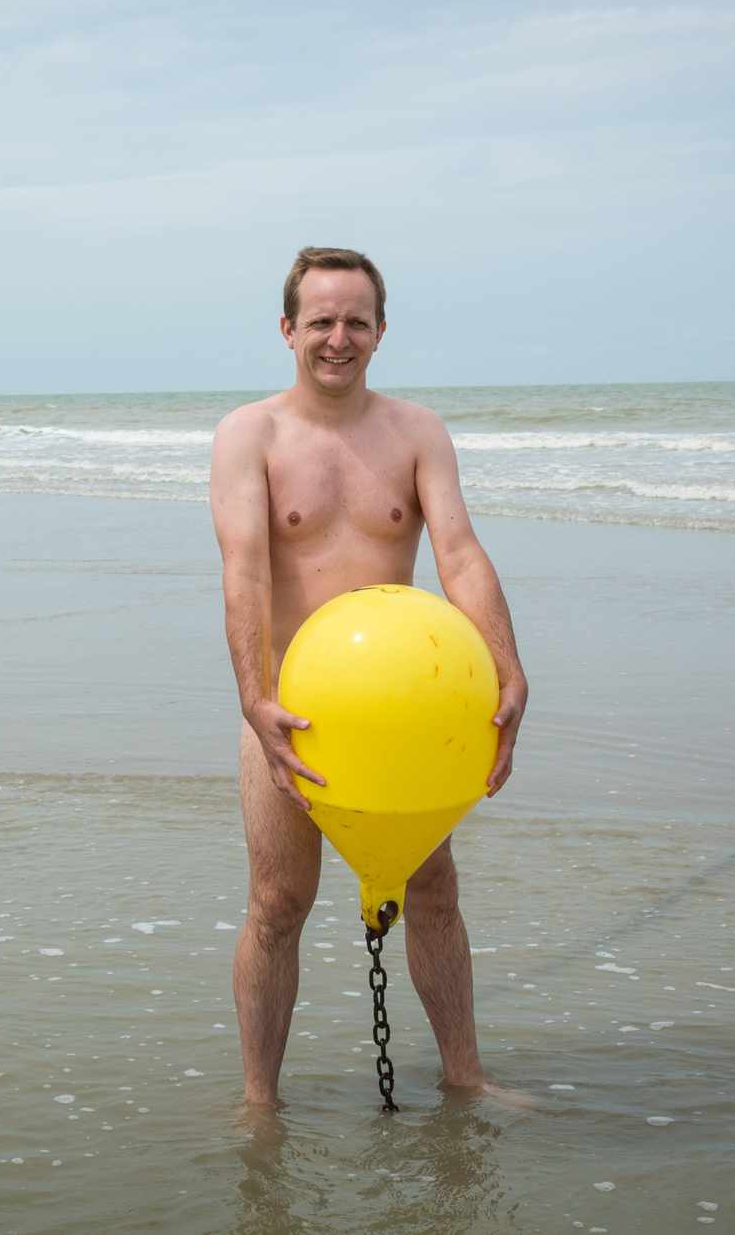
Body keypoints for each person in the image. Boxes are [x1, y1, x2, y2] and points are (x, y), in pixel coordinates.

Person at [209, 245, 529, 1110]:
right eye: (321, 321)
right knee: (278, 902)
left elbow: (459, 553)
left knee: (433, 888)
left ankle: (465, 1074)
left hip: (402, 711)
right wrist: (255, 698)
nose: (338, 338)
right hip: (289, 707)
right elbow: (243, 570)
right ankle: (258, 1100)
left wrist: (508, 665)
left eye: (356, 321)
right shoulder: (251, 435)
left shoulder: (416, 432)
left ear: (381, 331)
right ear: (288, 330)